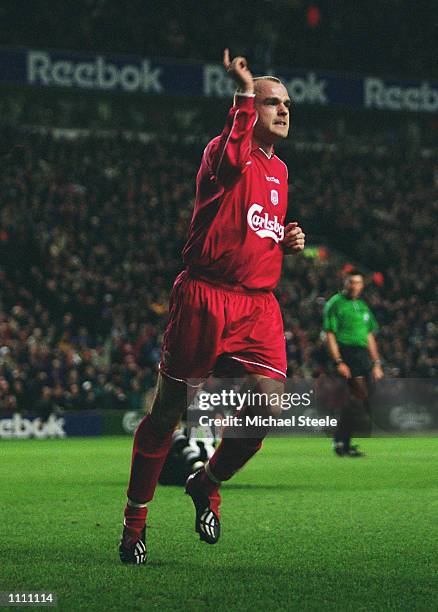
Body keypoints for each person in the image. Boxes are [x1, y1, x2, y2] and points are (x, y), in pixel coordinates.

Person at [119, 49, 306, 564]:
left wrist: (283, 240)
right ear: (249, 108)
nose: (284, 111)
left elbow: (251, 229)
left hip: (257, 306)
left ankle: (207, 481)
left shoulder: (281, 171)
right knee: (167, 415)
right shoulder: (223, 152)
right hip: (205, 297)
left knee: (268, 408)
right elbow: (230, 164)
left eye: (286, 104)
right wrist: (244, 92)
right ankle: (135, 521)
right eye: (273, 103)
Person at [323, 270, 384, 457]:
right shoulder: (335, 303)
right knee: (358, 397)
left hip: (362, 355)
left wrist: (376, 362)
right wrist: (339, 361)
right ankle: (341, 443)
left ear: (362, 285)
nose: (354, 286)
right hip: (346, 353)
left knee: (361, 398)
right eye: (351, 282)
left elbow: (369, 336)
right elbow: (330, 334)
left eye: (358, 282)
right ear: (345, 283)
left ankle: (341, 442)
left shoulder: (362, 306)